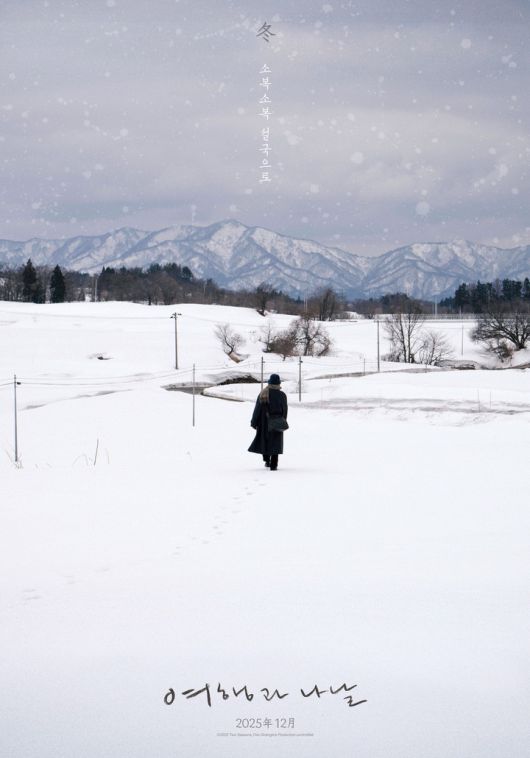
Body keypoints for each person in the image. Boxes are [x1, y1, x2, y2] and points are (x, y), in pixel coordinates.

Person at [248, 373, 288, 471]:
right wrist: (283, 420)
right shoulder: (282, 395)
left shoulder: (263, 393)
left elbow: (257, 409)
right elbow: (285, 410)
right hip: (277, 420)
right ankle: (274, 464)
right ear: (278, 383)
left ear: (269, 382)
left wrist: (254, 422)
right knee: (276, 442)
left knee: (264, 440)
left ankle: (267, 460)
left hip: (264, 421)